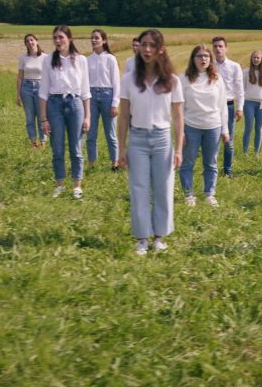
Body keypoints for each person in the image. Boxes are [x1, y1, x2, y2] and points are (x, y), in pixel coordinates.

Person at [118, 29, 184, 256]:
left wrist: (179, 149)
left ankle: (159, 237)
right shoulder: (128, 79)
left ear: (160, 49)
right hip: (137, 139)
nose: (146, 49)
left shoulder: (172, 81)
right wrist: (121, 148)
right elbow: (123, 116)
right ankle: (142, 239)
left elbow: (178, 117)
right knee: (139, 189)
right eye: (143, 44)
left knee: (163, 188)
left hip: (162, 139)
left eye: (152, 45)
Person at [39, 25, 90, 199]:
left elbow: (86, 91)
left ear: (70, 39)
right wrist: (44, 119)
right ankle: (60, 184)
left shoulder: (81, 60)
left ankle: (77, 185)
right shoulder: (48, 60)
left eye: (61, 37)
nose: (57, 40)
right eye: (55, 37)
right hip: (55, 105)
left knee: (76, 147)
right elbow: (43, 91)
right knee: (57, 147)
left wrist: (88, 116)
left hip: (75, 103)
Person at [179, 45, 229, 207]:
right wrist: (180, 132)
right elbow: (179, 107)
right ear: (193, 59)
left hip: (213, 126)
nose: (203, 59)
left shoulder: (217, 79)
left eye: (207, 56)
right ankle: (188, 195)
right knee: (188, 162)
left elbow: (222, 106)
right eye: (200, 56)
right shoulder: (184, 79)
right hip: (190, 126)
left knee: (211, 163)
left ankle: (210, 194)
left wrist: (225, 129)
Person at [86, 29, 120, 170]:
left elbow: (116, 82)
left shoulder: (110, 59)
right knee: (91, 133)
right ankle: (92, 163)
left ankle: (114, 163)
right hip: (92, 96)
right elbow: (85, 82)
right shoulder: (88, 59)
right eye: (92, 38)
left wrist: (115, 103)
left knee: (110, 133)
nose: (93, 40)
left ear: (104, 41)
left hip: (107, 95)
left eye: (96, 38)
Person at [212, 36, 244, 178]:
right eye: (215, 46)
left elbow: (239, 89)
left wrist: (240, 108)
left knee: (228, 140)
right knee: (212, 139)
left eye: (220, 46)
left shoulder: (234, 66)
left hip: (228, 106)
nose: (218, 49)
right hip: (212, 106)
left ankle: (227, 170)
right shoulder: (209, 66)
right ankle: (211, 169)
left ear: (226, 48)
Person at [16, 34, 48, 148]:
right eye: (27, 41)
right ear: (25, 44)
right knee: (30, 117)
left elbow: (49, 76)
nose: (30, 42)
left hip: (40, 87)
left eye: (32, 40)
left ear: (37, 41)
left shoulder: (45, 57)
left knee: (41, 116)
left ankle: (43, 141)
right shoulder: (23, 57)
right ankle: (33, 142)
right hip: (26, 88)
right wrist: (18, 94)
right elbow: (20, 77)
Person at [242, 50, 262, 155]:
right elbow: (242, 88)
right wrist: (241, 104)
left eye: (258, 58)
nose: (256, 59)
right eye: (254, 57)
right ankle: (245, 152)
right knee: (248, 128)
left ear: (261, 59)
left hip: (261, 104)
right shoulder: (246, 72)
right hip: (249, 103)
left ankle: (256, 153)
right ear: (251, 59)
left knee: (259, 129)